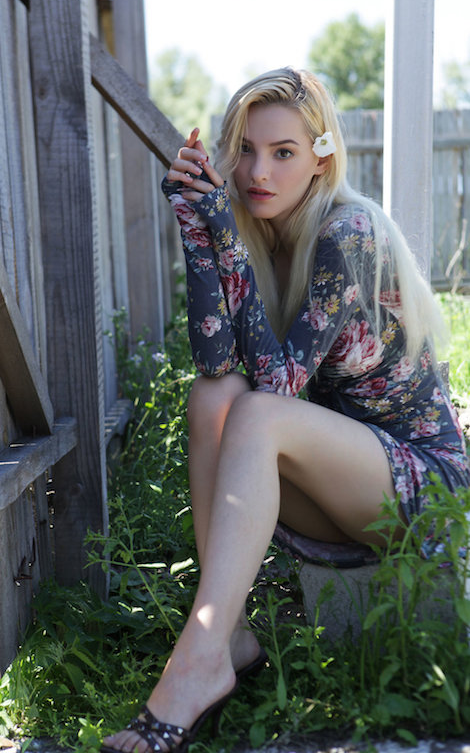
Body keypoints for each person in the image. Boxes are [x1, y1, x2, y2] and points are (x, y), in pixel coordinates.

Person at [102, 68, 470, 753]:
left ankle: (197, 657)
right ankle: (230, 635)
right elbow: (217, 361)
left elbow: (276, 385)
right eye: (245, 150)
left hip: (424, 493)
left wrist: (224, 232)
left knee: (257, 412)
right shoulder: (267, 236)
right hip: (345, 486)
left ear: (321, 159)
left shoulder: (349, 234)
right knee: (214, 397)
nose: (257, 172)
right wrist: (196, 227)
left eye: (283, 152)